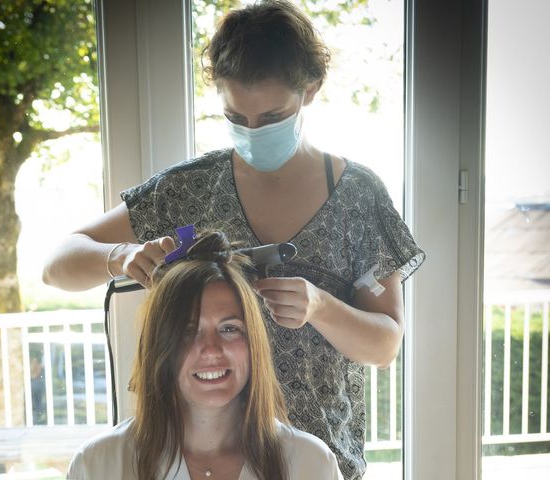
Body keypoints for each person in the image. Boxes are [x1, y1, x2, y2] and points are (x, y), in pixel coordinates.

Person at [44, 2, 425, 478]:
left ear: (310, 90)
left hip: (315, 461)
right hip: (184, 457)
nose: (252, 131)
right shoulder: (188, 190)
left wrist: (320, 307)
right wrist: (120, 257)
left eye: (270, 117)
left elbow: (384, 346)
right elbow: (56, 264)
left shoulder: (358, 199)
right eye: (235, 117)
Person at [66, 231, 340, 480]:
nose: (211, 349)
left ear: (253, 342)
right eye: (188, 330)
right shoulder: (96, 466)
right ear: (160, 347)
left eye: (229, 329)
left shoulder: (312, 464)